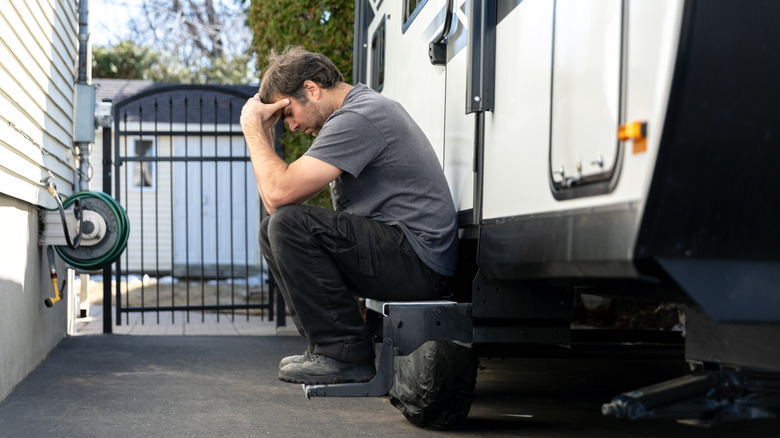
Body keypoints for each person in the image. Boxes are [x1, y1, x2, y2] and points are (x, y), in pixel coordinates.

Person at [240, 47, 458, 385]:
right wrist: (263, 132)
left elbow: (278, 194)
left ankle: (344, 354)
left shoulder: (360, 116)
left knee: (286, 225)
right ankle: (327, 348)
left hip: (419, 261)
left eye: (288, 114)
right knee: (273, 228)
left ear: (311, 89)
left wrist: (252, 127)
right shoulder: (357, 111)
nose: (293, 126)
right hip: (406, 255)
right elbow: (275, 199)